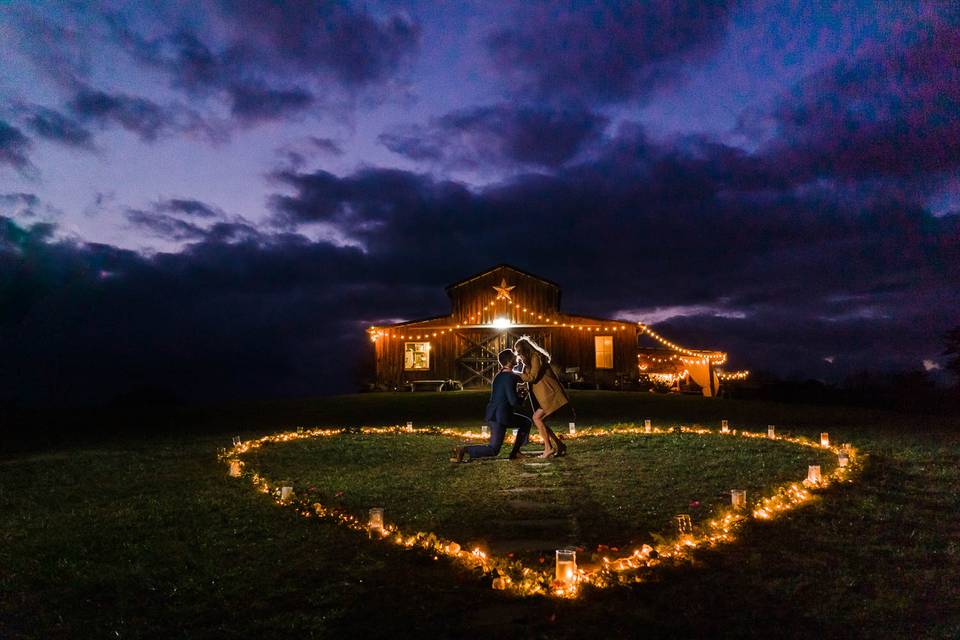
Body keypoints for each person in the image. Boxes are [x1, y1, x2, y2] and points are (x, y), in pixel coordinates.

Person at [451, 349, 532, 462]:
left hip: (495, 414)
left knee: (525, 422)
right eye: (514, 356)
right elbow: (513, 401)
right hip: (501, 416)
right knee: (493, 449)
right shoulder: (510, 377)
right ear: (509, 360)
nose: (516, 357)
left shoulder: (499, 375)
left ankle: (516, 452)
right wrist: (522, 396)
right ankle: (463, 449)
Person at [513, 336, 568, 458]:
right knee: (540, 421)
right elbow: (529, 377)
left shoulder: (536, 357)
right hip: (544, 395)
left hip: (550, 394)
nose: (519, 355)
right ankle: (559, 445)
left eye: (520, 352)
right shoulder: (530, 360)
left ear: (525, 349)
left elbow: (532, 377)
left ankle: (548, 448)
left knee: (536, 418)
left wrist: (519, 373)